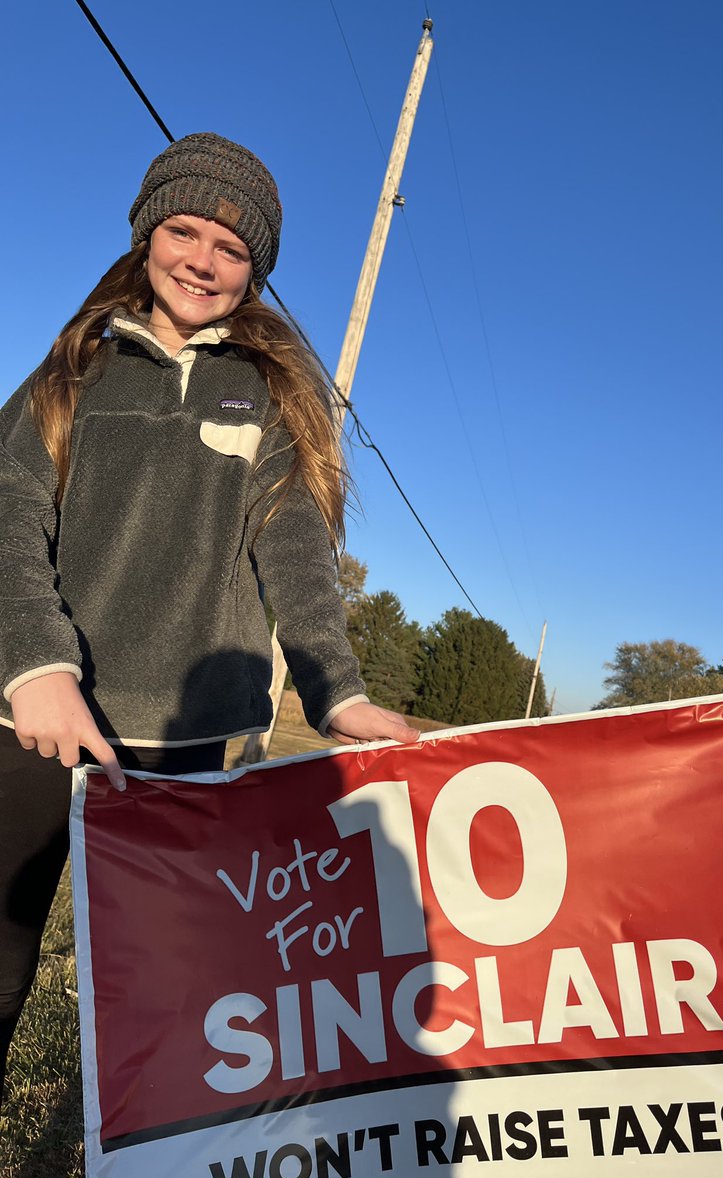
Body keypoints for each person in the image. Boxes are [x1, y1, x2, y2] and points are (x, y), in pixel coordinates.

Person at [0, 132, 418, 1100]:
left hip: (192, 758)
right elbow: (10, 512)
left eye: (232, 248)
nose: (202, 259)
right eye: (183, 230)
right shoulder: (76, 368)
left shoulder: (265, 392)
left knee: (187, 1004)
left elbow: (297, 554)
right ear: (146, 235)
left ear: (256, 270)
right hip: (36, 727)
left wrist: (339, 695)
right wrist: (36, 665)